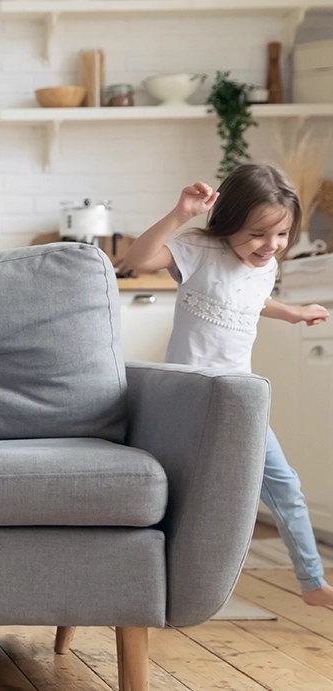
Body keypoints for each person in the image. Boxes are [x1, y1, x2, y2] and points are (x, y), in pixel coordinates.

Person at [124, 163, 333, 606]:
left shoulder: (265, 265)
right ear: (231, 220)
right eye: (259, 234)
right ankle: (153, 581)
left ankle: (313, 583)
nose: (270, 246)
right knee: (181, 495)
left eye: (281, 236)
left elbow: (249, 299)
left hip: (241, 400)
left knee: (286, 488)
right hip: (190, 399)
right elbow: (138, 260)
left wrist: (292, 312)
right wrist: (181, 213)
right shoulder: (198, 250)